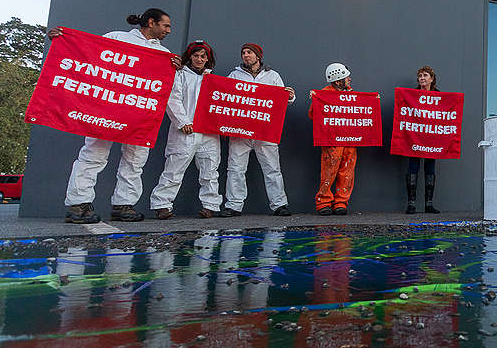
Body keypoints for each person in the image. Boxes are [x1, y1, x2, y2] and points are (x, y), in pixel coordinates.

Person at [50, 8, 181, 223]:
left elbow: (166, 88)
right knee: (94, 154)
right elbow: (87, 53)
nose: (169, 30)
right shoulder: (116, 38)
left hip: (140, 114)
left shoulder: (165, 55)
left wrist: (177, 69)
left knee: (135, 160)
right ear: (151, 22)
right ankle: (77, 204)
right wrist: (64, 40)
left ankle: (123, 205)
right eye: (165, 25)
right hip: (108, 111)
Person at [148, 40, 222, 219]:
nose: (199, 59)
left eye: (203, 56)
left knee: (210, 169)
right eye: (195, 56)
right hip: (186, 131)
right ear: (189, 57)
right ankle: (162, 205)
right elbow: (172, 99)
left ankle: (210, 205)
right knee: (174, 168)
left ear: (208, 59)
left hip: (209, 133)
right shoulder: (180, 74)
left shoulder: (213, 79)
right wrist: (182, 122)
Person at [218, 43, 294, 216]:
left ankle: (279, 204)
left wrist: (290, 96)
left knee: (272, 168)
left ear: (258, 56)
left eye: (249, 52)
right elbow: (224, 96)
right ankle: (233, 205)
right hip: (240, 131)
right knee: (235, 168)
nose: (245, 55)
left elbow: (283, 99)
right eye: (243, 52)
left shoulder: (272, 76)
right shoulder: (235, 75)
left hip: (265, 130)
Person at [310, 63, 357, 215]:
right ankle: (323, 202)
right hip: (332, 141)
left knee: (347, 171)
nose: (349, 79)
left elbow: (362, 112)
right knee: (329, 171)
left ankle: (341, 203)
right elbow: (312, 115)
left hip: (349, 140)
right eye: (346, 77)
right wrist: (316, 101)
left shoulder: (352, 95)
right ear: (338, 81)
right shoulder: (324, 94)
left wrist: (373, 102)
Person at [404, 65, 441, 215]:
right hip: (415, 136)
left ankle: (429, 204)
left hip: (431, 136)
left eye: (425, 75)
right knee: (413, 166)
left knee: (430, 167)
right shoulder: (412, 95)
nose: (422, 78)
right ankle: (411, 204)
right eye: (420, 76)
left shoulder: (439, 96)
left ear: (432, 79)